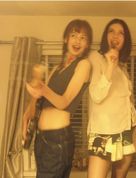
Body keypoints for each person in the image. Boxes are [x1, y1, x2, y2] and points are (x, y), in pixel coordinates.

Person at [23, 19, 93, 178]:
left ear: (87, 44)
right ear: (65, 39)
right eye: (74, 35)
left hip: (58, 139)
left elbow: (64, 101)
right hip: (42, 139)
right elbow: (40, 99)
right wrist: (27, 113)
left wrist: (41, 88)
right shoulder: (56, 68)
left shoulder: (84, 65)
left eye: (83, 38)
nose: (77, 41)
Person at [87, 18, 136, 178]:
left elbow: (127, 103)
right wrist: (109, 66)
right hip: (102, 132)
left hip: (125, 132)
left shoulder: (123, 67)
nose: (116, 36)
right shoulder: (95, 57)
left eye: (121, 33)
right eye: (112, 31)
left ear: (125, 40)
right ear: (105, 36)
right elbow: (96, 96)